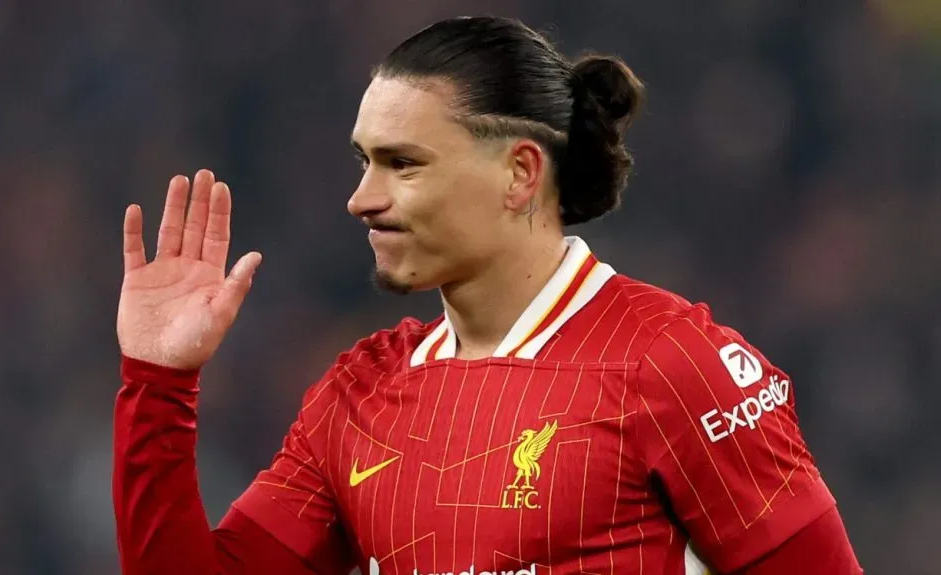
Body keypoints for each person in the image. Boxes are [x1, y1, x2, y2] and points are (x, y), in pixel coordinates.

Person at [113, 16, 862, 575]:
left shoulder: (674, 365)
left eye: (402, 163)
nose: (361, 198)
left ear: (520, 174)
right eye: (362, 162)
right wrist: (159, 383)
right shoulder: (358, 396)